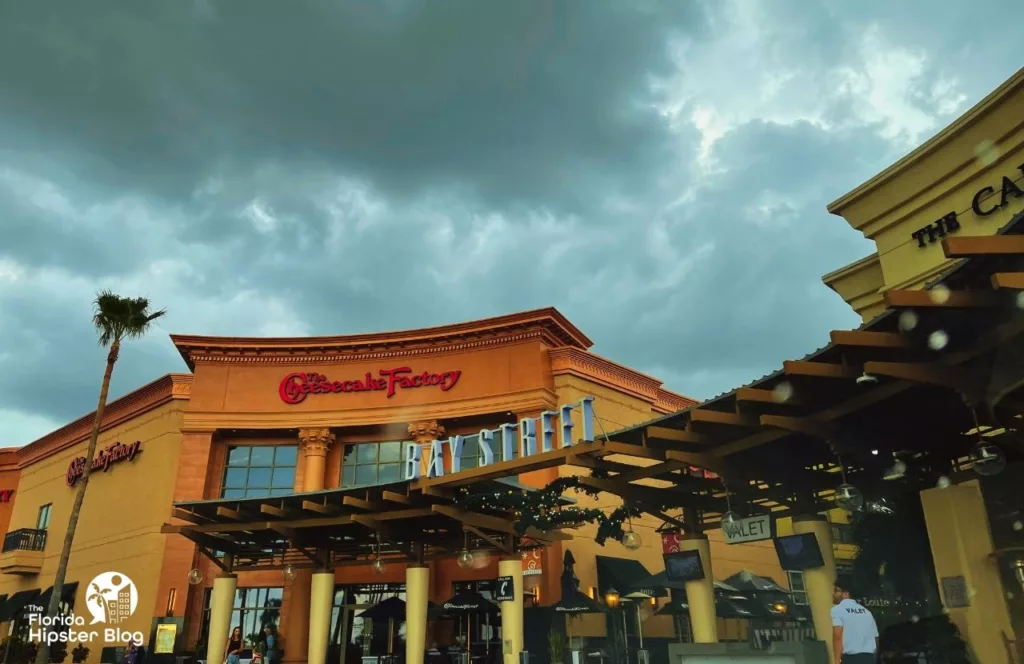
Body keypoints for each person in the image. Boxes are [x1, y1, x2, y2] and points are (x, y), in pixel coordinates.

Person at [831, 583, 879, 664]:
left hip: (851, 658)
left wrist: (837, 660)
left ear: (846, 594)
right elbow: (876, 638)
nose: (833, 594)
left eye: (836, 591)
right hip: (869, 658)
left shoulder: (837, 610)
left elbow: (837, 635)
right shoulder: (867, 612)